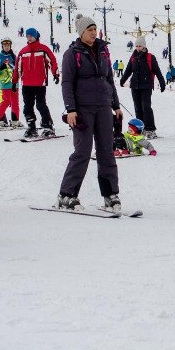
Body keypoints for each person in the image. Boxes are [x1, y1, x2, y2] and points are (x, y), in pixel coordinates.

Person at [56, 15, 123, 212]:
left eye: (95, 29)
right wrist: (71, 109)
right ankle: (66, 195)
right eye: (89, 29)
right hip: (82, 110)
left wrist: (116, 106)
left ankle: (110, 195)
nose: (94, 32)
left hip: (103, 107)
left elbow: (109, 79)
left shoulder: (103, 51)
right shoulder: (72, 54)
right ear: (81, 32)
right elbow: (67, 83)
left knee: (106, 152)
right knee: (82, 152)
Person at [13, 28, 59, 138]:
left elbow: (52, 61)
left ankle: (48, 126)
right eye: (27, 36)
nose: (29, 38)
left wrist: (55, 74)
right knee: (27, 106)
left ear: (36, 36)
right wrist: (14, 81)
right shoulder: (23, 52)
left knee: (40, 105)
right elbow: (18, 68)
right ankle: (31, 127)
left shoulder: (43, 49)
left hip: (40, 83)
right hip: (27, 83)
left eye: (31, 36)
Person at [119, 36, 166, 139]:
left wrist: (162, 83)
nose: (138, 48)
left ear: (144, 46)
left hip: (146, 85)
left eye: (140, 46)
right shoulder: (133, 58)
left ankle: (150, 129)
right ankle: (140, 129)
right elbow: (128, 70)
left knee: (146, 107)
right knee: (138, 108)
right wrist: (123, 80)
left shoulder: (150, 57)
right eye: (136, 46)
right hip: (134, 86)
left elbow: (157, 71)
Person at [0, 37, 21, 127]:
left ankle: (15, 120)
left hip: (14, 83)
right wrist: (0, 68)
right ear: (2, 46)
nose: (7, 47)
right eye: (5, 45)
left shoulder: (14, 56)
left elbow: (18, 69)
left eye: (8, 45)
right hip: (5, 83)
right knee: (6, 101)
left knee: (15, 102)